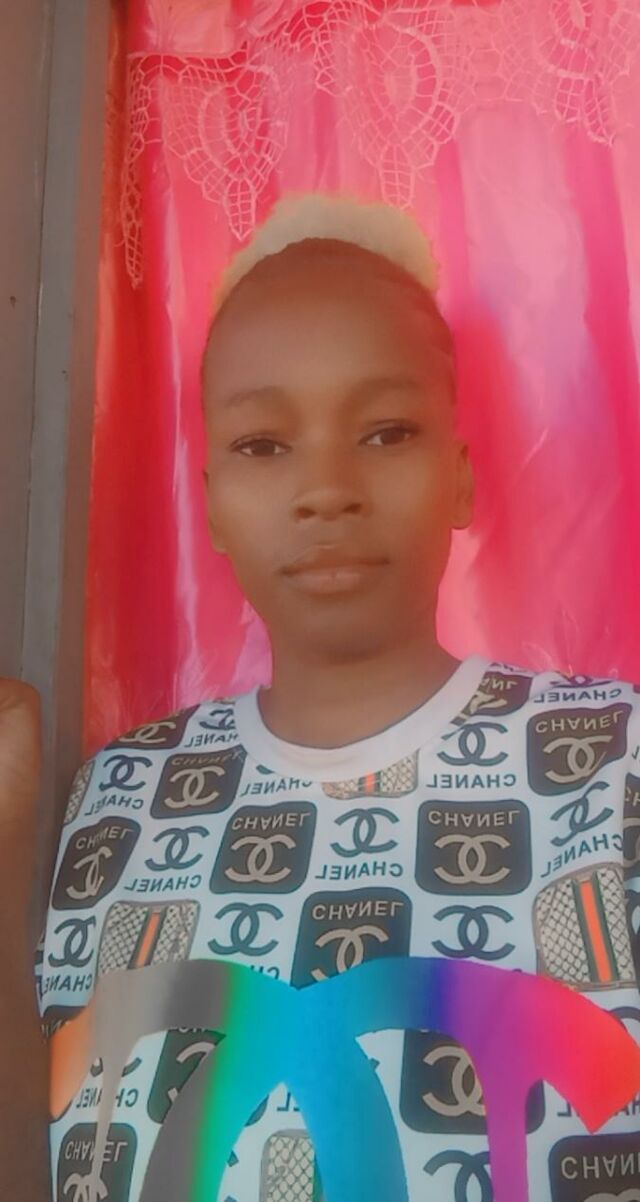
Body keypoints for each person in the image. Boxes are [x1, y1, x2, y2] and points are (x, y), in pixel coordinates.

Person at [28, 194, 640, 1201]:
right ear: (210, 503)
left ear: (459, 478)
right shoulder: (119, 799)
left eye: (386, 432)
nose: (326, 488)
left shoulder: (609, 764)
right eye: (264, 444)